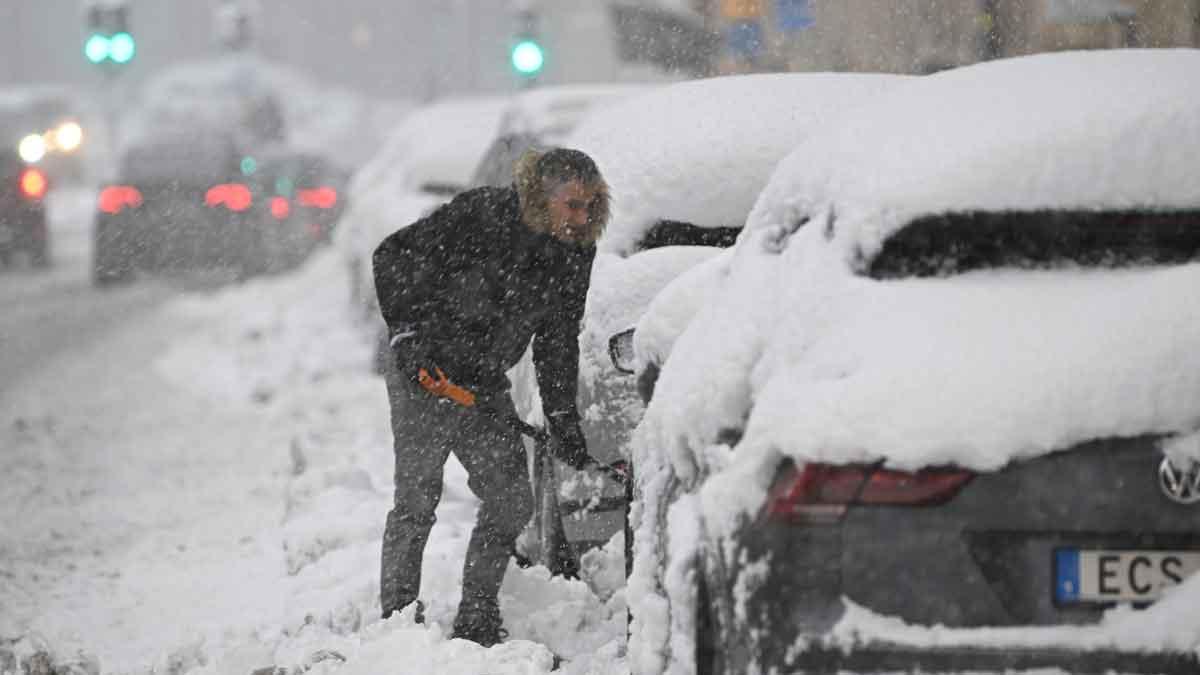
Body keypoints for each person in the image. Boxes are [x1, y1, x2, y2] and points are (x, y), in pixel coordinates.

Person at [371, 147, 609, 646]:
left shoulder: (572, 251)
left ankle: (477, 615)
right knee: (417, 500)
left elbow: (557, 337)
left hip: (482, 384)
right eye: (571, 205)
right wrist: (407, 336)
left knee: (510, 499)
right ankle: (397, 621)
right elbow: (391, 255)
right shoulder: (479, 216)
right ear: (539, 197)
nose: (581, 217)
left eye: (590, 205)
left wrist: (563, 419)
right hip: (426, 374)